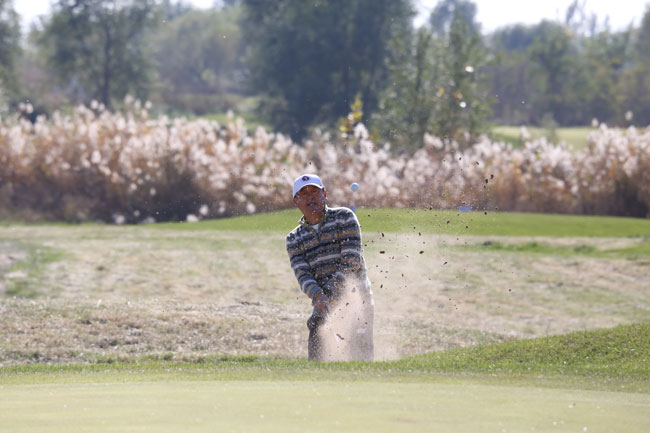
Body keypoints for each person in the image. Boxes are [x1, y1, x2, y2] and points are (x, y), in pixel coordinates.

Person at [285, 174, 374, 361]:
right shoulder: (294, 238)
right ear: (296, 201)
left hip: (357, 301)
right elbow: (303, 275)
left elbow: (351, 260)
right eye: (304, 194)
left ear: (324, 194)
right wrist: (318, 296)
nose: (310, 198)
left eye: (315, 192)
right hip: (323, 303)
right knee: (318, 358)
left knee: (359, 358)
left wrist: (328, 294)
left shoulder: (344, 217)